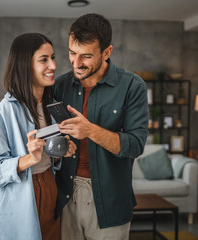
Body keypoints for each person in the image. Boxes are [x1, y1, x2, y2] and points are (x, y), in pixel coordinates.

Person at [53, 13, 149, 240]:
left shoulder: (132, 86)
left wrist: (90, 131)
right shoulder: (59, 85)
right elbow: (51, 134)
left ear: (107, 52)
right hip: (64, 195)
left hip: (111, 198)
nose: (76, 63)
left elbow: (135, 145)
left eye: (86, 56)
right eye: (72, 53)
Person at [0, 33, 76, 240]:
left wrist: (62, 152)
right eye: (44, 60)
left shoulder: (51, 104)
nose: (53, 65)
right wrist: (29, 160)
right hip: (20, 196)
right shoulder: (6, 110)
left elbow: (48, 156)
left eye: (53, 58)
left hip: (49, 187)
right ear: (25, 65)